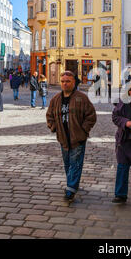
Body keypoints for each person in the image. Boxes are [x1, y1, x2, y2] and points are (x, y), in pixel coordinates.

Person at [46, 71, 97, 202]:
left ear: (73, 82)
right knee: (67, 163)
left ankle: (70, 189)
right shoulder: (56, 99)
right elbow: (49, 115)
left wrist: (83, 131)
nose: (65, 84)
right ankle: (72, 183)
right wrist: (53, 127)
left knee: (75, 164)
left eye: (68, 81)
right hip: (63, 137)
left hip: (78, 138)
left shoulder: (81, 98)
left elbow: (91, 116)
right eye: (63, 81)